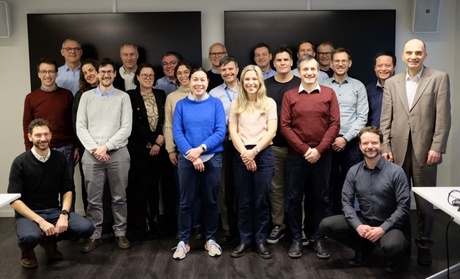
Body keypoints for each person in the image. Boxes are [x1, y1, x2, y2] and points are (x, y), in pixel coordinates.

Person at [380, 39, 451, 266]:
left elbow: (443, 117)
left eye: (418, 53)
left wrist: (437, 146)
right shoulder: (392, 82)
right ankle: (401, 245)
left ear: (425, 55)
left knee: (424, 204)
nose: (413, 56)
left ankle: (424, 246)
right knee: (397, 202)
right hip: (396, 152)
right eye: (409, 53)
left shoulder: (438, 78)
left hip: (425, 151)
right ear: (402, 56)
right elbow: (386, 119)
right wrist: (386, 147)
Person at [320, 126, 411, 273]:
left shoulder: (396, 172)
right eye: (365, 143)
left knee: (393, 246)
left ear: (381, 145)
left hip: (390, 225)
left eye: (374, 143)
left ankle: (393, 258)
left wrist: (382, 229)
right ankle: (363, 249)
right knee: (326, 225)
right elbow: (346, 203)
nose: (370, 147)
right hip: (366, 221)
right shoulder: (353, 171)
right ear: (360, 146)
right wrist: (358, 226)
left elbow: (403, 208)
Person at [8, 119, 94, 268]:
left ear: (51, 135)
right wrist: (40, 221)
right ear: (30, 137)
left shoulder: (59, 159)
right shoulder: (20, 162)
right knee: (30, 237)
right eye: (38, 135)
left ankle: (50, 241)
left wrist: (64, 214)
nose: (43, 138)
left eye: (46, 134)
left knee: (86, 228)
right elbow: (14, 200)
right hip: (29, 214)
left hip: (54, 211)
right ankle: (27, 250)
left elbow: (67, 190)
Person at [281, 55, 340, 259]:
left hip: (323, 156)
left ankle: (319, 238)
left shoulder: (329, 93)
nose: (309, 73)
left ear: (318, 72)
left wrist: (319, 150)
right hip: (297, 156)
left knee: (321, 198)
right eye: (305, 69)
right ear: (298, 72)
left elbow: (334, 124)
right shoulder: (290, 95)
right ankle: (297, 238)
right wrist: (306, 150)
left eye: (313, 69)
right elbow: (285, 126)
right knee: (295, 198)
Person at [76, 58, 132, 252]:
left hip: (118, 154)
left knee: (119, 197)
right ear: (98, 74)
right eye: (103, 72)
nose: (106, 75)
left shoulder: (123, 97)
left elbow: (126, 128)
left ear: (115, 74)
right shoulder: (86, 97)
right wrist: (95, 149)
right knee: (93, 198)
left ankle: (120, 233)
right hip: (92, 155)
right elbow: (80, 127)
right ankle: (95, 235)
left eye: (110, 72)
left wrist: (106, 147)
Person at [172, 67, 226, 260]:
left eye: (202, 80)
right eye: (195, 79)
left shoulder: (216, 104)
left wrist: (201, 150)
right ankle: (183, 242)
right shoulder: (181, 105)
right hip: (187, 160)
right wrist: (192, 155)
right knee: (185, 202)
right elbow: (177, 133)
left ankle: (210, 239)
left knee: (211, 201)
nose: (198, 83)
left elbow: (220, 131)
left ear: (208, 82)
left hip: (211, 158)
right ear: (189, 81)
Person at [229, 65, 277, 259]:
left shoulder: (269, 103)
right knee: (244, 200)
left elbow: (271, 131)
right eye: (247, 79)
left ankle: (260, 240)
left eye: (254, 79)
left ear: (260, 82)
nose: (250, 83)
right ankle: (245, 240)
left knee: (261, 200)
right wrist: (245, 154)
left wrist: (254, 152)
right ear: (242, 82)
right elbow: (233, 131)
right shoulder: (236, 104)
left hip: (263, 154)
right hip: (241, 153)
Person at [323, 47, 368, 214]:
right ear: (331, 64)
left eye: (343, 61)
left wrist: (345, 138)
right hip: (327, 142)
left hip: (352, 143)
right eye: (337, 61)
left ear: (349, 63)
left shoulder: (358, 86)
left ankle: (347, 218)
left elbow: (362, 117)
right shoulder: (323, 86)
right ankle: (328, 221)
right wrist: (331, 138)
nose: (340, 64)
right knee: (328, 182)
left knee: (350, 182)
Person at [264, 46, 300, 245]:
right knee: (275, 188)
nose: (283, 63)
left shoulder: (300, 83)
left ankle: (298, 228)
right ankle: (278, 224)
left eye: (286, 59)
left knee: (297, 190)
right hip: (274, 145)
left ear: (292, 62)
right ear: (274, 63)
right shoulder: (266, 85)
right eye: (279, 60)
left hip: (297, 146)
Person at [127, 63, 166, 237]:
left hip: (158, 149)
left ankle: (155, 218)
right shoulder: (130, 96)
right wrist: (152, 139)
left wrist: (158, 143)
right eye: (144, 75)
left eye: (151, 75)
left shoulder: (161, 94)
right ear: (138, 77)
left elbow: (164, 120)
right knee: (140, 186)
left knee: (154, 186)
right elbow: (133, 124)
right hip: (139, 149)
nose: (148, 78)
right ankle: (143, 222)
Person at [23, 58, 78, 181]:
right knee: (44, 186)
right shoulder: (31, 98)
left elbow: (73, 123)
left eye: (51, 71)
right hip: (41, 148)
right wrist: (29, 150)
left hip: (66, 148)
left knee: (67, 186)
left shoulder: (67, 95)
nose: (47, 75)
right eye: (43, 72)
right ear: (38, 74)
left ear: (56, 73)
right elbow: (27, 125)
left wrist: (76, 147)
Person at [209, 56, 240, 242]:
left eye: (230, 69)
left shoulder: (248, 87)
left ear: (237, 69)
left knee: (242, 185)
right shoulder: (214, 93)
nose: (228, 73)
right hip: (224, 143)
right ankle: (227, 226)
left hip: (245, 142)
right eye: (224, 70)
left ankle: (244, 226)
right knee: (223, 187)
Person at [73, 58, 100, 212]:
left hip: (109, 147)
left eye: (91, 70)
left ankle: (109, 223)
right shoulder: (80, 95)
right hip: (87, 148)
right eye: (85, 73)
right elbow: (77, 124)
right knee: (89, 185)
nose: (88, 74)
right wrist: (88, 146)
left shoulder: (114, 91)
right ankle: (92, 223)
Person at [365, 51, 396, 127]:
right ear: (375, 68)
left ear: (394, 67)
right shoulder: (367, 90)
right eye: (379, 65)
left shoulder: (401, 89)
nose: (383, 69)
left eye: (388, 65)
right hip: (373, 135)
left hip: (395, 136)